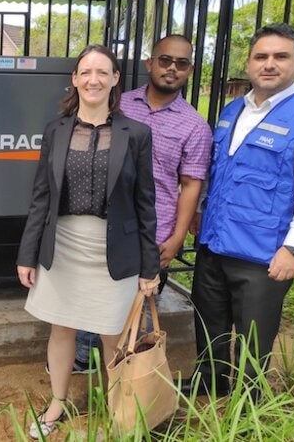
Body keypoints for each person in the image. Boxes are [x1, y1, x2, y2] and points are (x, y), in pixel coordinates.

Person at [16, 44, 160, 439]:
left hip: (114, 249)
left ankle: (119, 411)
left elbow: (146, 204)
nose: (93, 79)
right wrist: (27, 254)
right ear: (75, 79)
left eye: (103, 72)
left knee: (113, 334)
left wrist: (150, 268)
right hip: (63, 245)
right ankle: (57, 405)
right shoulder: (56, 129)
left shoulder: (137, 134)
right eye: (86, 72)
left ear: (115, 79)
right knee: (61, 330)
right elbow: (41, 197)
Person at [190, 23, 294, 397]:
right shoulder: (232, 111)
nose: (269, 64)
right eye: (261, 56)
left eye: (280, 56)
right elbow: (217, 171)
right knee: (210, 328)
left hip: (263, 256)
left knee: (254, 342)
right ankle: (209, 387)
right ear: (250, 62)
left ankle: (248, 406)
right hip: (214, 244)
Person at [73, 35, 213, 369]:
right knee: (92, 293)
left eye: (181, 64)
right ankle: (83, 361)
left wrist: (178, 237)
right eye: (165, 60)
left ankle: (130, 375)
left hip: (154, 232)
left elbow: (192, 184)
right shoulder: (119, 105)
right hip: (103, 222)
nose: (171, 69)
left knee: (137, 305)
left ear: (189, 70)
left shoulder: (195, 125)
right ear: (150, 63)